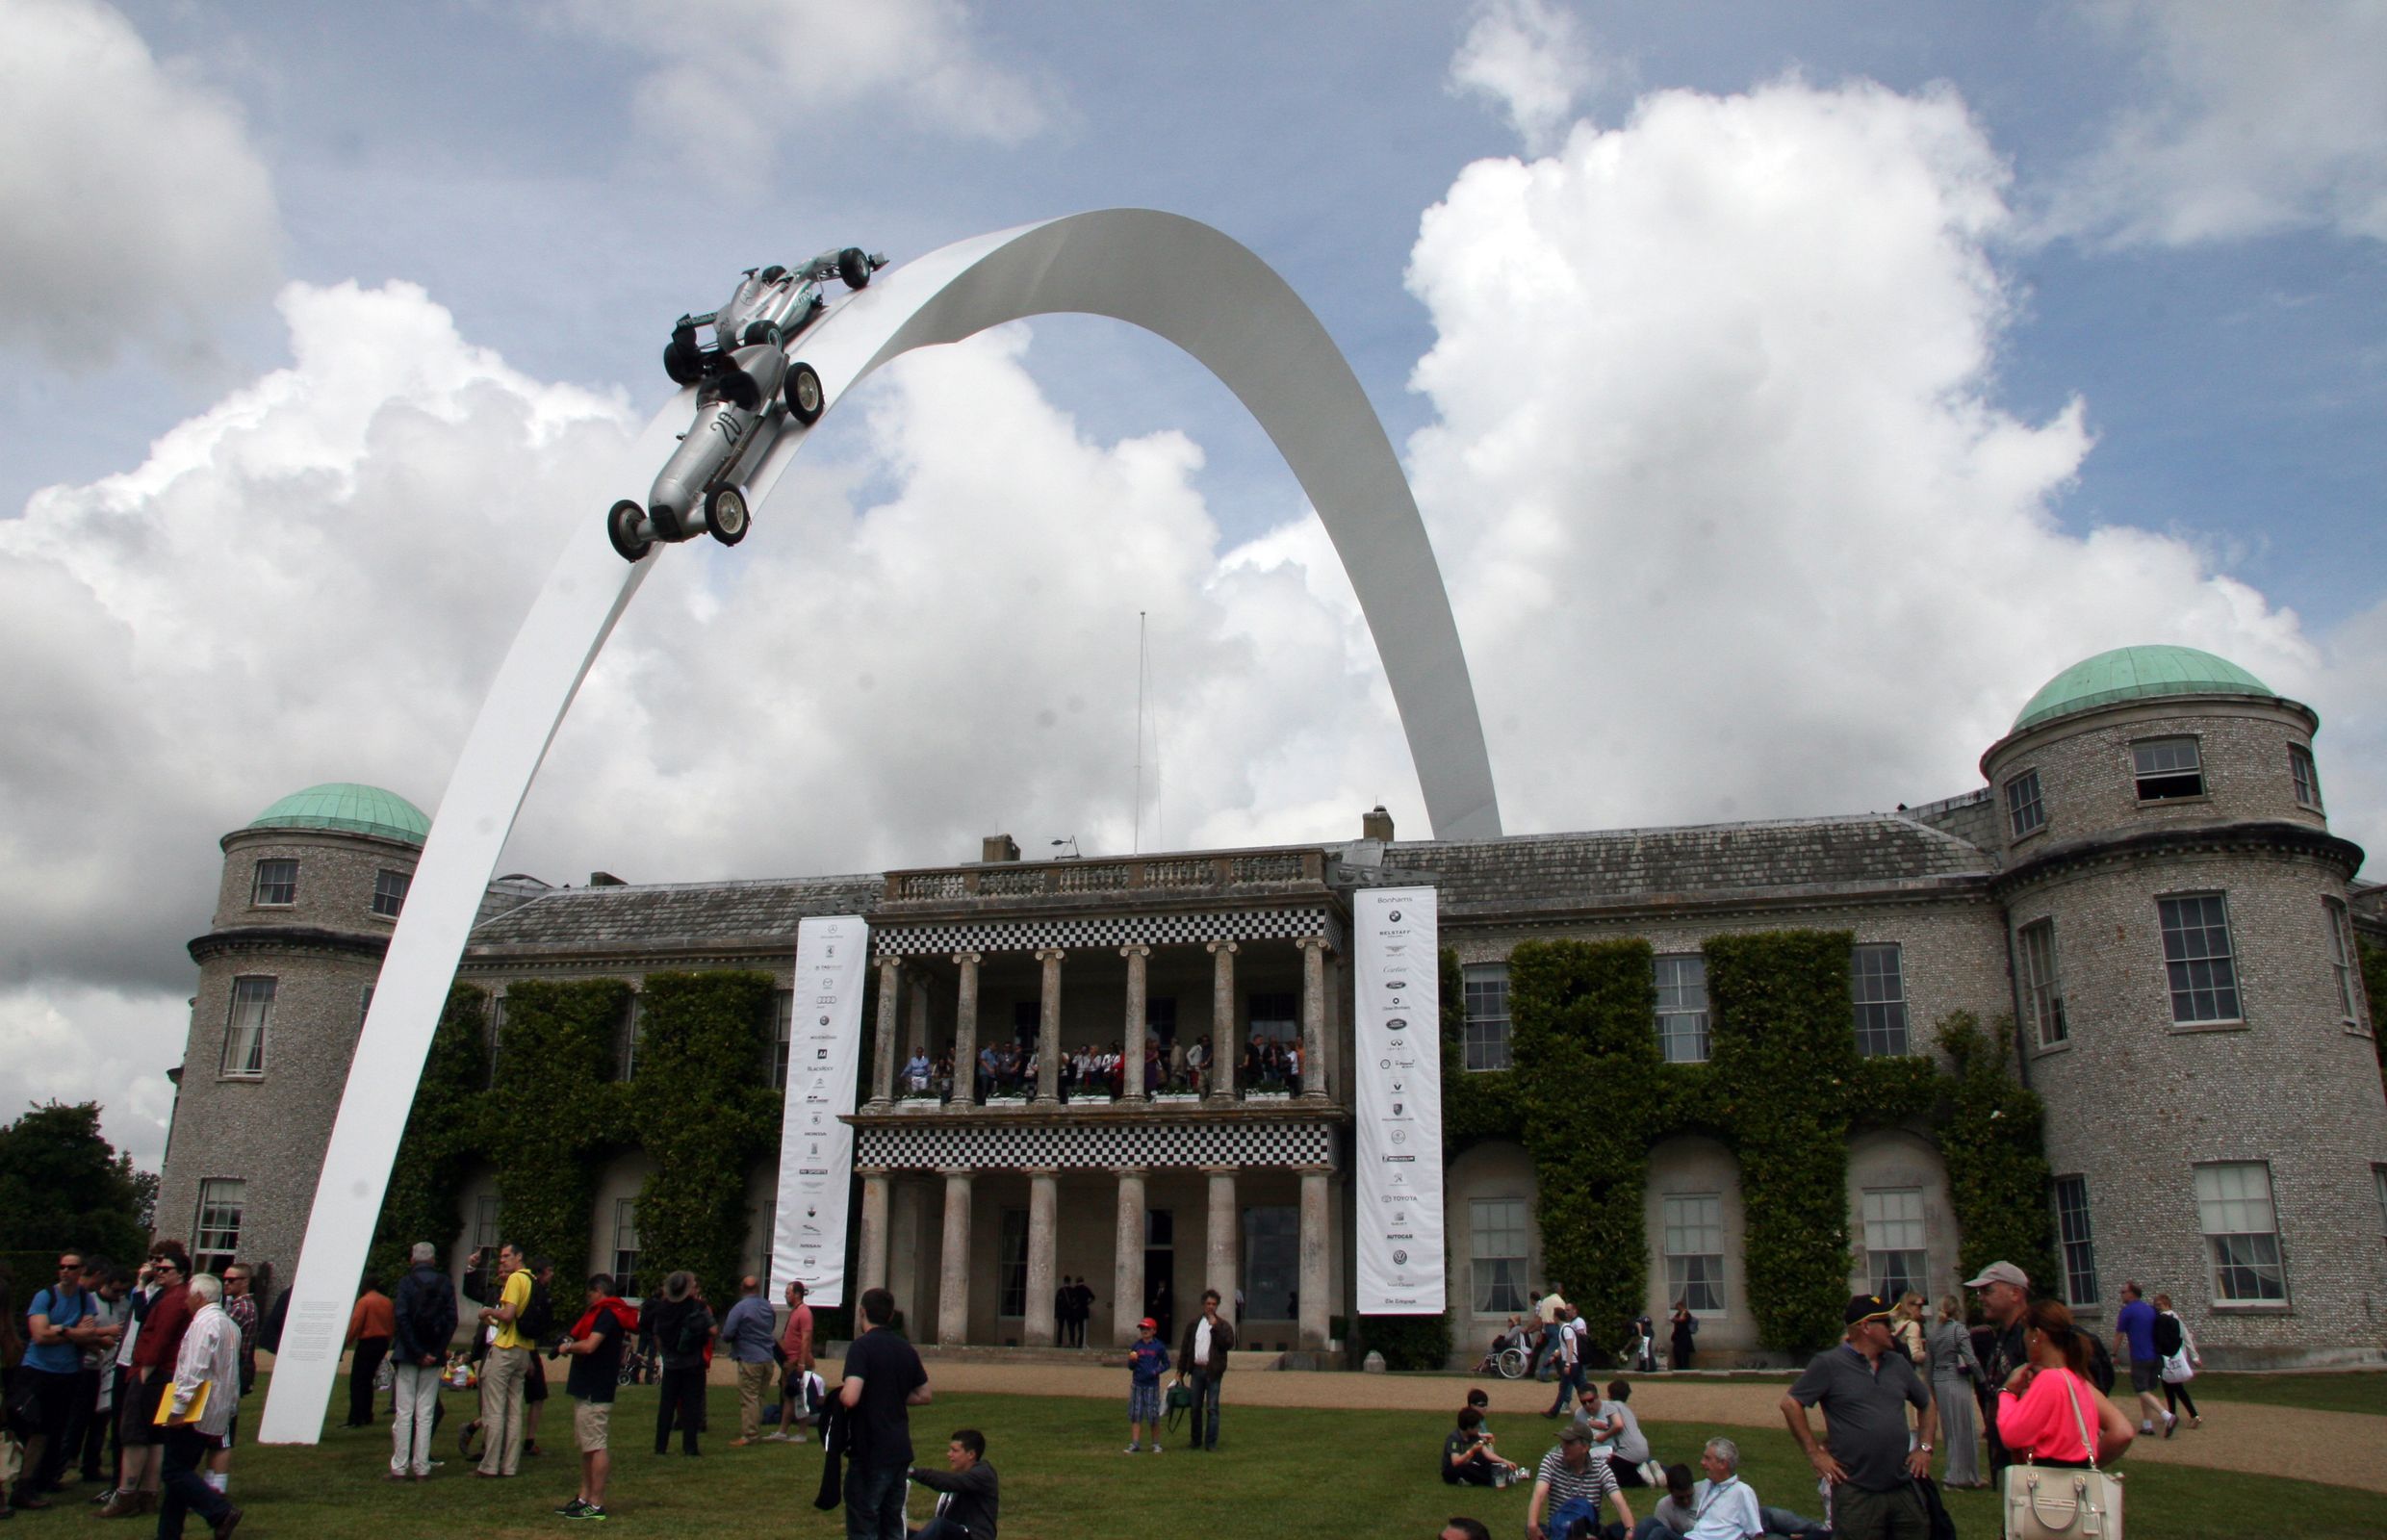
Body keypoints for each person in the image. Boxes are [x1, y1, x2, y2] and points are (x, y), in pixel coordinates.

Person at [1779, 1295, 1938, 1540]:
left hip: (1902, 1485)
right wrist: (1815, 1454)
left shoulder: (1897, 1363)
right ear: (1865, 1327)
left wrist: (1925, 1447)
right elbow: (1791, 1404)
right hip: (1857, 1491)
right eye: (1886, 1322)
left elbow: (1927, 1403)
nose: (1892, 1329)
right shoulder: (1829, 1364)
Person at [102, 1243, 194, 1519]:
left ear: (181, 1273)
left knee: (134, 1434)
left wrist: (144, 1372)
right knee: (155, 1436)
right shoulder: (172, 1296)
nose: (159, 1271)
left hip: (153, 1373)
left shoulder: (173, 1299)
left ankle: (127, 1495)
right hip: (161, 1372)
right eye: (156, 1266)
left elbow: (159, 1338)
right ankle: (148, 1494)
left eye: (165, 1268)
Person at [19, 1249, 116, 1506]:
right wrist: (73, 1333)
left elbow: (88, 1333)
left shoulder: (85, 1300)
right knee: (34, 1429)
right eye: (63, 1267)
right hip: (38, 1370)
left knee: (56, 1429)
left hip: (69, 1372)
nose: (66, 1272)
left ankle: (45, 1478)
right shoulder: (45, 1296)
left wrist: (60, 1330)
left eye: (72, 1267)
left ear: (81, 1271)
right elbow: (39, 1335)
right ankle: (25, 1483)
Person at [154, 1271, 242, 1540]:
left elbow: (194, 1370)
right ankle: (169, 1532)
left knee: (173, 1470)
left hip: (196, 1409)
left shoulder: (204, 1325)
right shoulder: (229, 1325)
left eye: (189, 1297)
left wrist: (178, 1408)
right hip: (216, 1408)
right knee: (180, 1473)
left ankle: (218, 1510)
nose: (185, 1303)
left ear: (199, 1297)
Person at [1996, 1298, 2135, 1467]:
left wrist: (2007, 1392)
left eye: (2026, 1331)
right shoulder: (2077, 1380)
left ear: (2037, 1335)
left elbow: (2011, 1436)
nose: (2024, 1338)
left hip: (2047, 1482)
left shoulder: (2049, 1380)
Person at [840, 1286, 931, 1540]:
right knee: (892, 1523)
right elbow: (925, 1394)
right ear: (891, 1316)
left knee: (864, 1521)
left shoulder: (862, 1348)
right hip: (899, 1447)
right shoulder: (905, 1348)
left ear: (862, 1312)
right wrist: (892, 1394)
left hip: (870, 1448)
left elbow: (851, 1396)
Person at [553, 1271, 635, 1522]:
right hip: (586, 1385)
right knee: (587, 1446)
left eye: (590, 1294)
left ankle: (597, 1503)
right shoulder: (601, 1313)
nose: (589, 1299)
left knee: (596, 1445)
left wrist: (567, 1347)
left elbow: (590, 1345)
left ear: (598, 1291)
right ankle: (584, 1497)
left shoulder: (608, 1314)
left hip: (595, 1387)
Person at [388, 1243, 455, 1480]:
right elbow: (451, 1319)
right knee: (425, 1412)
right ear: (434, 1260)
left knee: (404, 1411)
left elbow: (402, 1317)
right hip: (433, 1352)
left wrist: (416, 1351)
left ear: (412, 1260)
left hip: (408, 1353)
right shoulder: (444, 1283)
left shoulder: (406, 1283)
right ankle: (422, 1466)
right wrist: (436, 1351)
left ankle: (400, 1465)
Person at [1963, 1259, 2031, 1488]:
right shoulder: (2003, 1334)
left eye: (1987, 1290)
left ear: (2015, 1293)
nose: (1980, 1297)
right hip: (2003, 1450)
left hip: (2025, 1455)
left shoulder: (2031, 1336)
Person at [473, 1241, 533, 1477]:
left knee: (495, 1408)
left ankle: (489, 1465)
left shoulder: (516, 1279)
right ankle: (510, 1464)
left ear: (518, 1257)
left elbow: (508, 1315)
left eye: (507, 1256)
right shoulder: (531, 1280)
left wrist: (488, 1312)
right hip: (523, 1348)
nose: (503, 1260)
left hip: (507, 1346)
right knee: (515, 1409)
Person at [1630, 1438, 1765, 1540]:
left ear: (1722, 1464)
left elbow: (1756, 1533)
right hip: (1691, 1537)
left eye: (1707, 1458)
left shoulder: (1742, 1491)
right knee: (1648, 1523)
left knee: (1660, 1534)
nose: (1702, 1463)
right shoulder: (1707, 1485)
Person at [1526, 1423, 1633, 1540]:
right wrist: (1532, 1525)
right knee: (1533, 1527)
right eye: (1563, 1441)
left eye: (1570, 1443)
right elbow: (1539, 1494)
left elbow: (1618, 1501)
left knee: (1621, 1528)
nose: (1564, 1446)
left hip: (1586, 1528)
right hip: (1559, 1528)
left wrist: (1630, 1529)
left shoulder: (1600, 1469)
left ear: (1585, 1447)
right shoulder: (1551, 1461)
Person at [648, 1270, 712, 1456]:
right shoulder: (697, 1306)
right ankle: (690, 1447)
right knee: (691, 1405)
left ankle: (661, 1446)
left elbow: (656, 1334)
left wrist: (666, 1354)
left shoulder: (662, 1308)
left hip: (671, 1362)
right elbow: (713, 1329)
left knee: (666, 1405)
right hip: (693, 1361)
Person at [1925, 1295, 1985, 1488]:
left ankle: (1961, 1473)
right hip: (1956, 1380)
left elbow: (1929, 1364)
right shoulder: (1958, 1330)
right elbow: (1971, 1359)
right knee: (1963, 1426)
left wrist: (1931, 1387)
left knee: (1951, 1429)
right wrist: (1983, 1379)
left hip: (1940, 1380)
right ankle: (1960, 1475)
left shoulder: (1934, 1332)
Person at [909, 1426, 997, 1540]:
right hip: (954, 1534)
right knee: (900, 1531)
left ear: (971, 1454)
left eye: (954, 1450)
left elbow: (947, 1481)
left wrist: (912, 1472)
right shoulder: (962, 1479)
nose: (949, 1454)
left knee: (939, 1526)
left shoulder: (983, 1474)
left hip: (974, 1537)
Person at [719, 1275, 778, 1448]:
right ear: (758, 1288)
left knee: (749, 1396)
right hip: (767, 1356)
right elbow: (772, 1326)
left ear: (742, 1288)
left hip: (750, 1357)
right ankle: (755, 1429)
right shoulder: (767, 1306)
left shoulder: (740, 1308)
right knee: (759, 1396)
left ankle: (750, 1434)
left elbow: (728, 1332)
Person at [1175, 1288, 1235, 1452]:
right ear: (1203, 1304)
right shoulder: (1194, 1324)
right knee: (1195, 1407)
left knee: (1212, 1408)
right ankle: (1195, 1440)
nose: (1210, 1307)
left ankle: (1211, 1443)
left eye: (1214, 1304)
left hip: (1213, 1371)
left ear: (1217, 1306)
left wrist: (1215, 1328)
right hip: (1196, 1370)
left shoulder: (1223, 1325)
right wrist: (1180, 1370)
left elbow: (1228, 1344)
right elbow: (1186, 1348)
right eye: (1208, 1303)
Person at [2112, 1280, 2169, 1437]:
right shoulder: (2151, 1310)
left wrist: (2113, 1354)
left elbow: (2119, 1334)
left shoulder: (2127, 1311)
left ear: (2131, 1294)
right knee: (2147, 1390)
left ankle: (2167, 1416)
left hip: (2140, 1356)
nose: (2121, 1295)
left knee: (2141, 1389)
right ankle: (2147, 1424)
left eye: (2123, 1292)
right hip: (2155, 1356)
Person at [343, 1276, 395, 1428]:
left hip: (367, 1342)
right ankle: (367, 1414)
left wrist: (348, 1341)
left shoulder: (364, 1301)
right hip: (382, 1342)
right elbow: (391, 1324)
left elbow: (356, 1323)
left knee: (358, 1381)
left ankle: (356, 1417)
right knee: (368, 1379)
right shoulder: (386, 1301)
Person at [771, 1279, 818, 1443]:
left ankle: (802, 1433)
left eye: (788, 1293)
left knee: (800, 1398)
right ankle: (782, 1431)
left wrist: (801, 1362)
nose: (786, 1296)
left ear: (797, 1294)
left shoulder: (804, 1312)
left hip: (797, 1363)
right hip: (789, 1362)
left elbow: (806, 1340)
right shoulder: (795, 1311)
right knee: (789, 1396)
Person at [2151, 1292, 2200, 1433]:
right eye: (2156, 1305)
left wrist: (2195, 1357)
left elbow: (2186, 1337)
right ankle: (2172, 1414)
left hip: (2172, 1357)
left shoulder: (2170, 1319)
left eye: (2159, 1305)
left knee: (2176, 1387)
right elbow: (2186, 1337)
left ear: (2167, 1304)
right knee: (2169, 1386)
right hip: (2173, 1357)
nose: (2157, 1307)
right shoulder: (2170, 1319)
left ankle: (2193, 1415)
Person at [1588, 1379, 1653, 1486]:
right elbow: (1616, 1425)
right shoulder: (1627, 1410)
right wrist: (1599, 1425)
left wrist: (1603, 1437)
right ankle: (1648, 1467)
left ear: (1609, 1394)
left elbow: (1618, 1425)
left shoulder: (1610, 1405)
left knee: (1606, 1475)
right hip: (1643, 1449)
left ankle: (1641, 1475)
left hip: (1629, 1453)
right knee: (1619, 1468)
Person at [1441, 1406, 1524, 1488]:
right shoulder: (1454, 1439)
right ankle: (1493, 1479)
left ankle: (1504, 1473)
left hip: (1469, 1462)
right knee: (1468, 1469)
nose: (1480, 1428)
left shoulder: (1474, 1435)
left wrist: (1504, 1461)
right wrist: (1471, 1451)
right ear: (1469, 1428)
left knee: (1485, 1459)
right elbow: (1456, 1462)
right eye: (1477, 1426)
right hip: (1453, 1470)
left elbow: (1487, 1453)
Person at [1124, 1317, 1168, 1453]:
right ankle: (1135, 1443)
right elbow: (1131, 1366)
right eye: (1142, 1329)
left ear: (1154, 1331)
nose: (1144, 1331)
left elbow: (1166, 1364)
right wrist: (1132, 1361)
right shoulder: (1137, 1346)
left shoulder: (1159, 1346)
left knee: (1153, 1415)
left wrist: (1156, 1371)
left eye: (1147, 1329)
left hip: (1152, 1385)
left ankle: (1156, 1444)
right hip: (1138, 1383)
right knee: (1136, 1414)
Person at [1544, 1305, 1586, 1418]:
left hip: (1571, 1362)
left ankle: (1554, 1412)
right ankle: (1589, 1407)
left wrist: (1567, 1364)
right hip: (1573, 1362)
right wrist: (1554, 1356)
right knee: (1580, 1387)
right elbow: (1565, 1348)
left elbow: (1570, 1347)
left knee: (1564, 1387)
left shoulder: (1566, 1329)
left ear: (1557, 1317)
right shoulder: (1566, 1328)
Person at [1888, 1294, 1927, 1369]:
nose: (1922, 1309)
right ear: (1909, 1306)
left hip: (1897, 1368)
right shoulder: (1913, 1325)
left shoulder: (1896, 1323)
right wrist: (1931, 1354)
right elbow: (1915, 1355)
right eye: (1919, 1306)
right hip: (1913, 1370)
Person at [1670, 1300, 1698, 1372]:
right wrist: (1676, 1320)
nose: (1676, 1308)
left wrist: (1677, 1320)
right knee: (1676, 1351)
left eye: (1677, 1306)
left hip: (1684, 1336)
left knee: (1684, 1352)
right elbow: (1674, 1319)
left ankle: (1685, 1367)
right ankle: (1678, 1366)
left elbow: (1684, 1320)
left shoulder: (1686, 1313)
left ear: (1681, 1306)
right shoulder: (1678, 1313)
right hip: (1677, 1336)